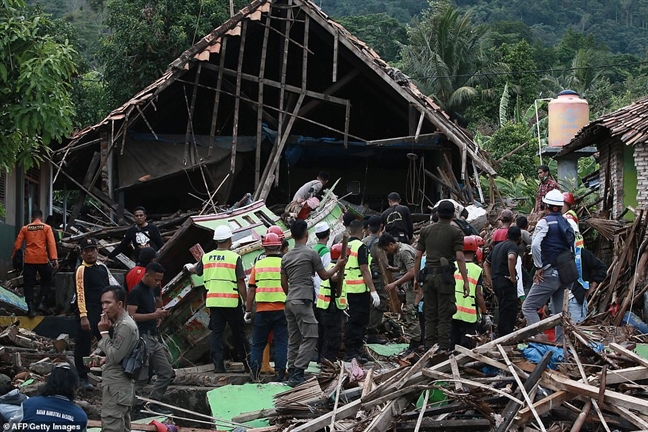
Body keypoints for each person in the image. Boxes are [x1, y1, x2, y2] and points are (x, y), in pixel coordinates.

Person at [281, 220, 347, 387]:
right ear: (306, 234)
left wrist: (291, 296)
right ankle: (297, 372)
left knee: (294, 338)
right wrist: (338, 265)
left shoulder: (286, 256)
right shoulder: (311, 254)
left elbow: (283, 283)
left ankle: (291, 370)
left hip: (290, 301)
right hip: (303, 300)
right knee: (311, 335)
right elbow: (325, 276)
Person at [185, 225, 249, 373]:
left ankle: (218, 366)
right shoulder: (234, 258)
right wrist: (246, 301)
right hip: (232, 302)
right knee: (239, 333)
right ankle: (248, 364)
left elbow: (196, 270)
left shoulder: (206, 257)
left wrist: (189, 267)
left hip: (214, 302)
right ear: (229, 239)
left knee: (216, 334)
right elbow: (240, 281)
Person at [414, 200, 469, 352]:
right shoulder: (456, 233)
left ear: (437, 214)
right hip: (445, 279)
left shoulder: (426, 230)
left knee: (430, 314)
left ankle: (429, 348)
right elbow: (459, 257)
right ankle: (443, 349)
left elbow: (418, 256)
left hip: (428, 277)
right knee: (445, 315)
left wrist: (416, 278)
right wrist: (465, 281)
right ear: (453, 216)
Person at [523, 189, 575, 342]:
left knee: (528, 307)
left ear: (547, 206)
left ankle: (540, 339)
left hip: (549, 273)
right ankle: (560, 345)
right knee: (560, 314)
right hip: (565, 274)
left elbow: (535, 245)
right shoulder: (567, 222)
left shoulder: (544, 222)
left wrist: (539, 266)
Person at [127, 263, 174, 414]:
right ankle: (132, 406)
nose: (158, 283)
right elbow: (131, 315)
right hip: (142, 338)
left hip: (153, 336)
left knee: (166, 372)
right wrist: (153, 315)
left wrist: (157, 314)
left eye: (160, 280)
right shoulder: (136, 292)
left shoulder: (151, 290)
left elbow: (148, 310)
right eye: (156, 279)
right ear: (147, 276)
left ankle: (153, 403)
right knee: (141, 376)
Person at [246, 233, 288, 381]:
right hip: (282, 309)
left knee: (258, 344)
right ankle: (280, 374)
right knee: (282, 342)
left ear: (264, 248)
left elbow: (251, 289)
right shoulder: (285, 263)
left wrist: (247, 310)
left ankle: (255, 375)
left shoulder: (258, 266)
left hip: (262, 311)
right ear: (279, 246)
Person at [98, 286, 139, 432]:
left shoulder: (125, 326)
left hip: (117, 385)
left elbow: (115, 356)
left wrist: (103, 332)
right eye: (102, 303)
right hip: (118, 385)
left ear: (120, 304)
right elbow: (120, 353)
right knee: (122, 426)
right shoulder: (119, 323)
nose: (104, 307)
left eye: (108, 303)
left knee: (112, 425)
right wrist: (103, 359)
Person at [73, 237, 110, 390]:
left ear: (97, 251)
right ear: (82, 253)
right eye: (86, 251)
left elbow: (108, 290)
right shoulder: (81, 270)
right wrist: (83, 316)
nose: (90, 254)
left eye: (92, 250)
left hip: (101, 310)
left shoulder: (102, 268)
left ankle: (112, 372)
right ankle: (82, 375)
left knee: (108, 340)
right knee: (84, 345)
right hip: (87, 310)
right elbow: (80, 294)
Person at [342, 220, 381, 363]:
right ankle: (352, 351)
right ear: (363, 230)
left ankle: (356, 350)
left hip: (347, 288)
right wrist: (373, 290)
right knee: (357, 322)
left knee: (353, 322)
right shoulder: (361, 247)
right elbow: (364, 269)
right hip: (359, 290)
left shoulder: (345, 245)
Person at [9, 364, 87, 430]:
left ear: (48, 383)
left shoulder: (29, 405)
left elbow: (10, 429)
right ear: (75, 387)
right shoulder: (80, 416)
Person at [379, 233, 421, 352]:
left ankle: (415, 343)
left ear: (391, 244)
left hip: (414, 287)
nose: (388, 252)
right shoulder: (402, 248)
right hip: (414, 285)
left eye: (387, 249)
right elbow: (407, 267)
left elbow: (412, 271)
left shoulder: (403, 252)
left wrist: (394, 284)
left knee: (412, 313)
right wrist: (395, 269)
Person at [12, 209, 58, 316]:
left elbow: (17, 244)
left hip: (29, 260)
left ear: (32, 218)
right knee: (46, 280)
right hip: (42, 259)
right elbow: (51, 243)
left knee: (28, 284)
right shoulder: (46, 228)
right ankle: (42, 302)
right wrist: (54, 258)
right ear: (41, 218)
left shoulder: (25, 228)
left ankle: (31, 308)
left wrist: (13, 255)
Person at [484, 227, 522, 336]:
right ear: (519, 238)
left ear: (507, 235)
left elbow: (486, 264)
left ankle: (500, 334)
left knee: (502, 308)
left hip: (497, 282)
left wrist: (491, 280)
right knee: (509, 311)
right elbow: (511, 257)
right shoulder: (512, 246)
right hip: (506, 281)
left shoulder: (497, 247)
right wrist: (512, 277)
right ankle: (506, 336)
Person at [451, 236, 487, 349]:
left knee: (452, 343)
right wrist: (485, 313)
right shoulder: (477, 270)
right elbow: (478, 294)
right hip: (469, 314)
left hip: (452, 310)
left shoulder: (453, 265)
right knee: (465, 346)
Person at [315, 243, 348, 363]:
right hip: (331, 309)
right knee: (332, 338)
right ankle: (328, 362)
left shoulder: (329, 266)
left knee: (324, 337)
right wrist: (340, 271)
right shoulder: (333, 268)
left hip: (326, 307)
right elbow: (334, 278)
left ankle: (322, 359)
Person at [363, 216, 388, 343]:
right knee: (379, 302)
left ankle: (365, 329)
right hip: (376, 276)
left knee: (367, 303)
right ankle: (372, 333)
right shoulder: (378, 243)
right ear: (381, 227)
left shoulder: (363, 241)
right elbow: (384, 263)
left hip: (363, 276)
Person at [568, 248, 607, 323]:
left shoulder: (581, 253)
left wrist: (593, 286)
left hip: (575, 298)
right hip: (558, 299)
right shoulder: (554, 252)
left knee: (575, 328)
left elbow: (602, 269)